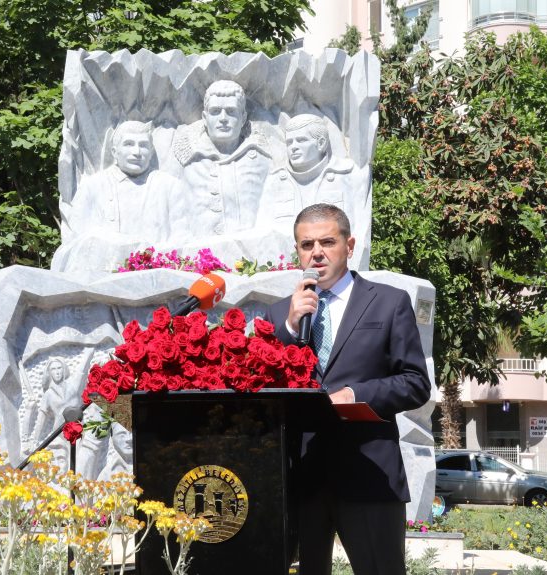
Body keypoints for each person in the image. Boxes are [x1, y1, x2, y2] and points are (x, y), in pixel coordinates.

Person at [264, 204, 430, 575]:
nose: (316, 252)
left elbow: (416, 383)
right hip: (299, 479)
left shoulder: (388, 303)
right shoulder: (279, 315)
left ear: (349, 245)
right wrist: (290, 329)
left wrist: (356, 394)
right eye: (306, 244)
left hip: (368, 474)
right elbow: (262, 384)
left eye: (327, 241)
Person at [171, 80, 273, 237]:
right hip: (195, 254)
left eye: (231, 111)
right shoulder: (185, 159)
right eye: (215, 111)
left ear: (243, 117)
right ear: (205, 118)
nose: (223, 118)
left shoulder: (262, 159)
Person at [63, 120, 181, 243]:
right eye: (129, 144)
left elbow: (182, 237)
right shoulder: (93, 186)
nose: (137, 152)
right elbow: (75, 238)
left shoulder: (169, 186)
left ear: (151, 153)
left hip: (158, 260)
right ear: (114, 152)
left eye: (143, 145)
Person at [257, 114, 368, 235]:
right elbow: (261, 231)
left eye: (301, 140)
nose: (293, 147)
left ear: (321, 143)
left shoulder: (349, 175)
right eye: (289, 142)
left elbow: (360, 233)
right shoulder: (275, 181)